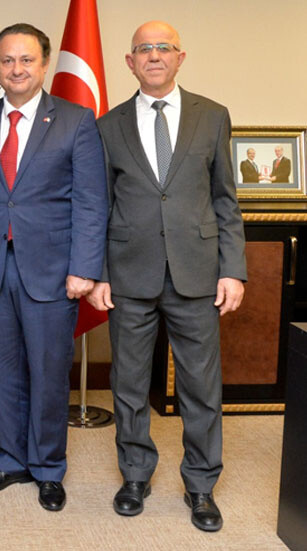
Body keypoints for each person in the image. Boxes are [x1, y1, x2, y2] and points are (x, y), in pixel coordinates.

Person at [89, 21, 246, 532]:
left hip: (197, 273)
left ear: (180, 58)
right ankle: (135, 475)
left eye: (163, 48)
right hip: (128, 275)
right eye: (143, 50)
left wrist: (234, 271)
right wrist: (99, 273)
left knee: (202, 386)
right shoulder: (107, 126)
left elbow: (226, 200)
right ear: (129, 63)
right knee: (129, 384)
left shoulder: (213, 116)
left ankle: (201, 485)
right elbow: (99, 206)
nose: (153, 55)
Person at [0, 23, 108, 512]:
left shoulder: (77, 121)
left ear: (44, 65)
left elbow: (91, 202)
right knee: (3, 373)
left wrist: (85, 267)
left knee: (47, 372)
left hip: (54, 269)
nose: (16, 69)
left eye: (26, 60)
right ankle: (11, 459)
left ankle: (47, 468)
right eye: (7, 61)